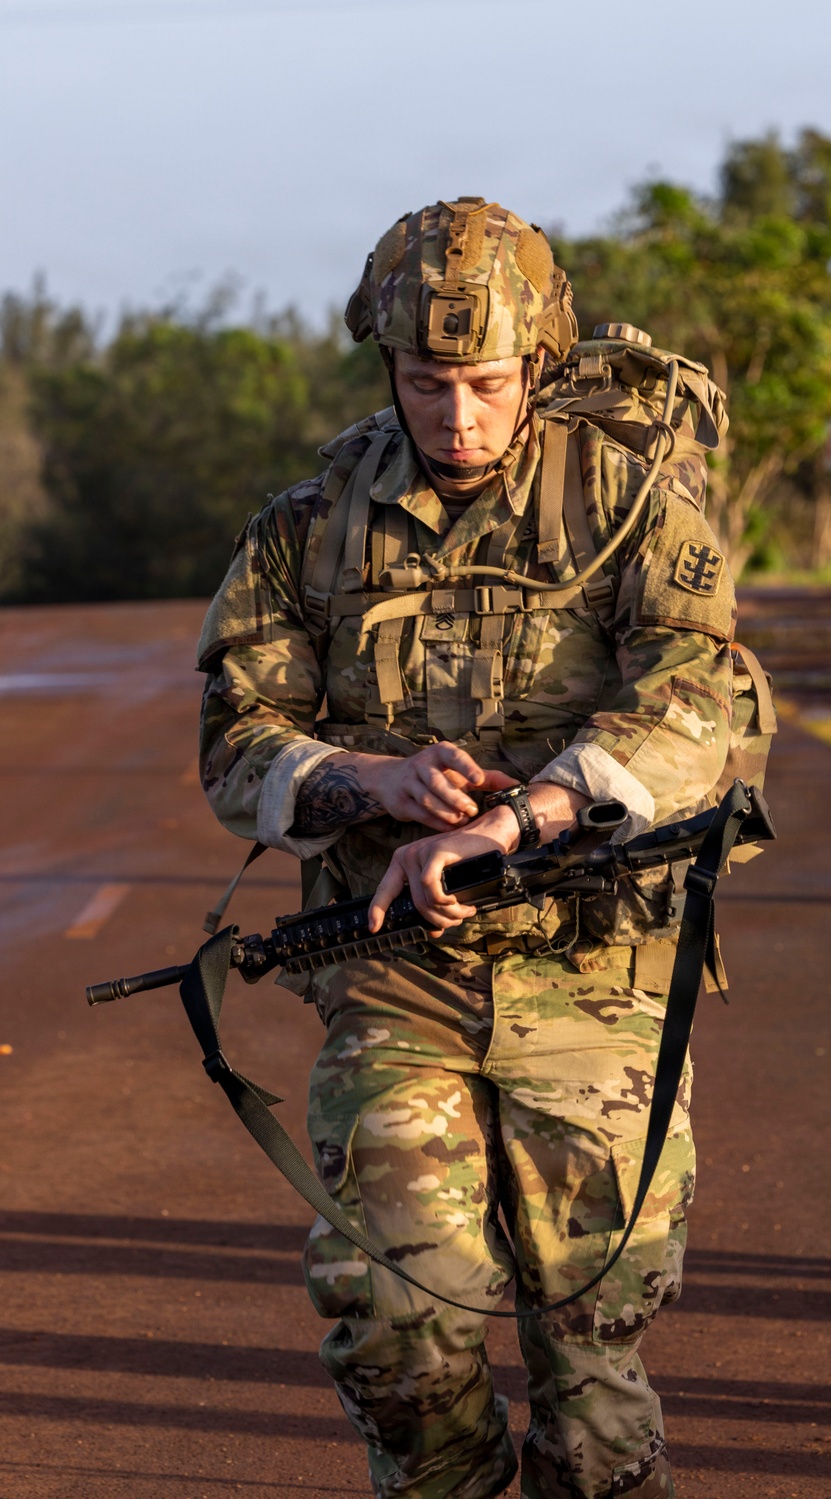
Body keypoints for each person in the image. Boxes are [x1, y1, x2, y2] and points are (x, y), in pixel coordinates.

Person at [197, 197, 736, 1499]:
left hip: (588, 967)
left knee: (591, 1353)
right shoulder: (309, 527)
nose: (458, 415)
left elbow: (700, 702)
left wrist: (525, 814)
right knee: (393, 1321)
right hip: (394, 968)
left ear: (538, 366)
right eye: (428, 382)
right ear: (387, 365)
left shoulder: (625, 503)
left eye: (487, 383)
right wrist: (363, 778)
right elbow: (235, 739)